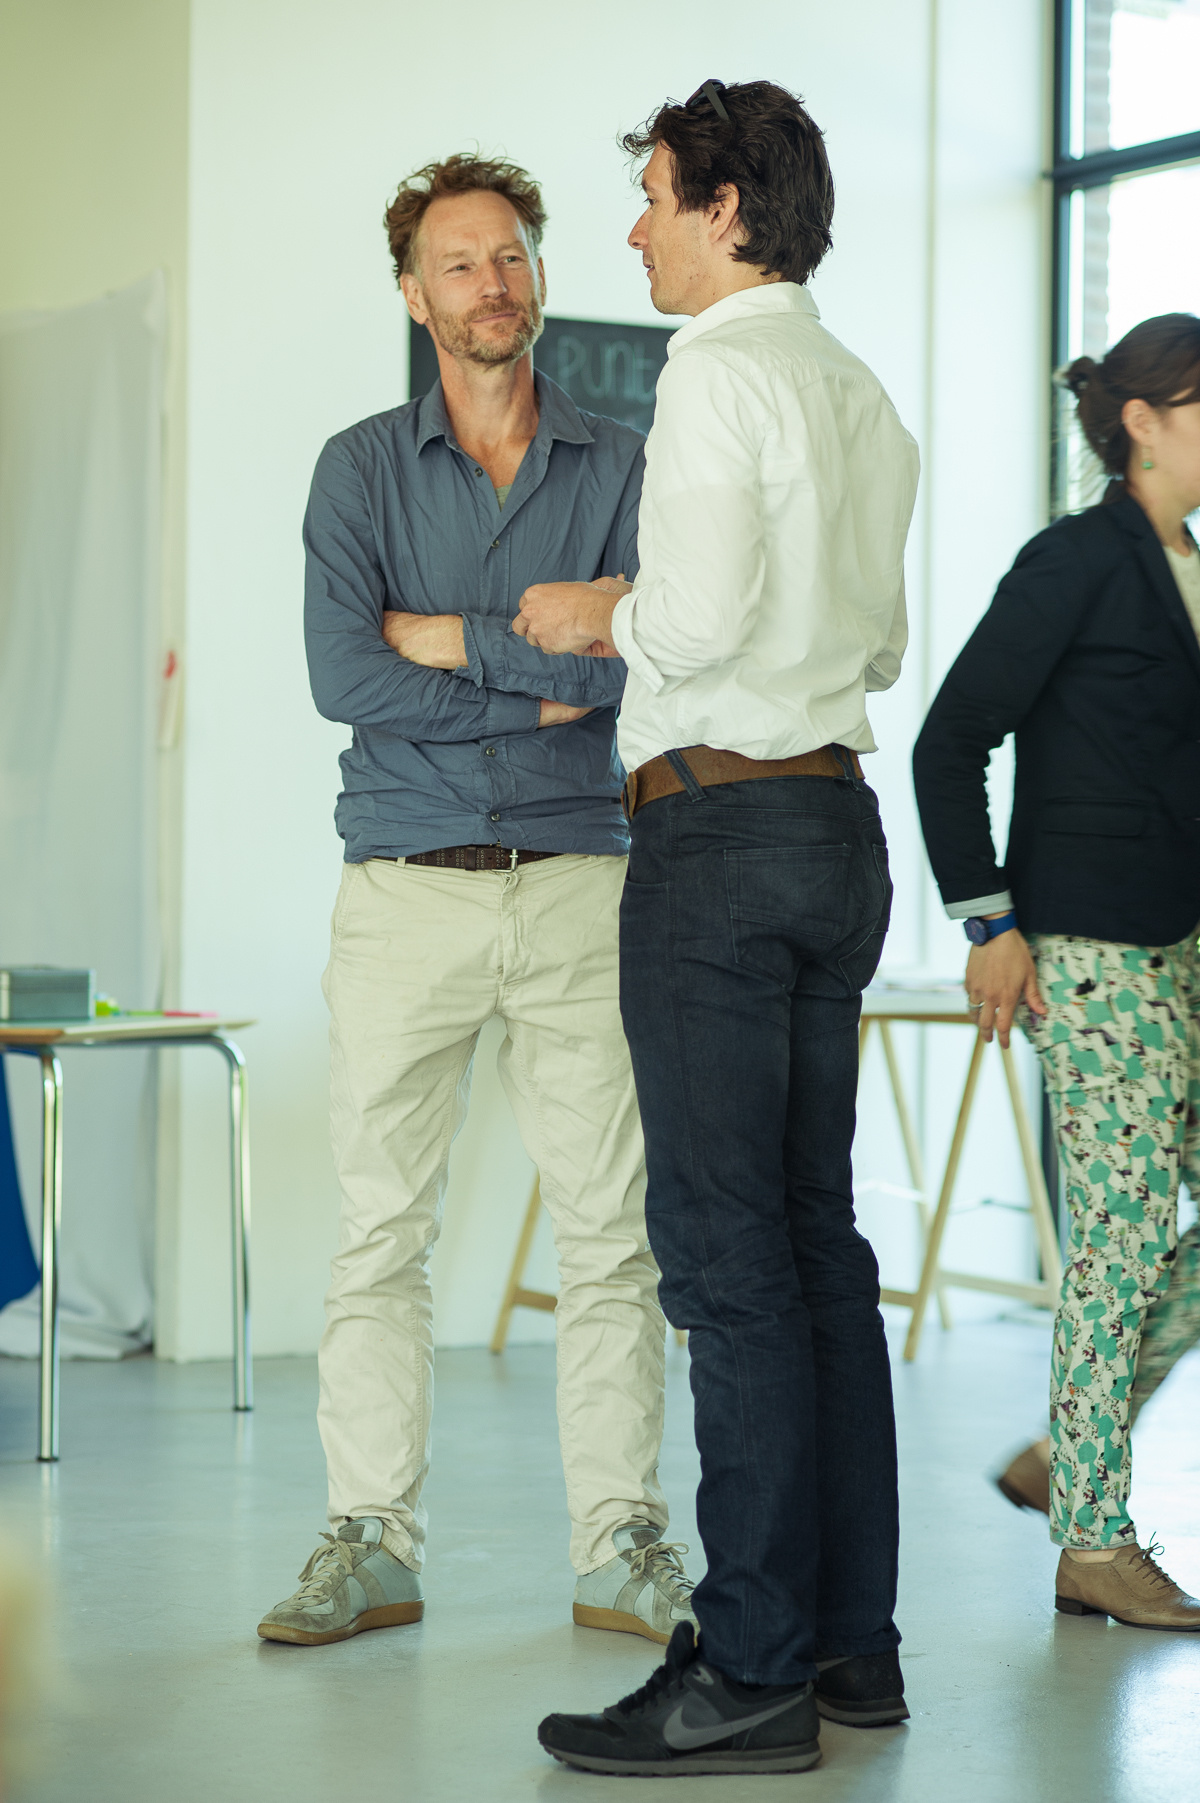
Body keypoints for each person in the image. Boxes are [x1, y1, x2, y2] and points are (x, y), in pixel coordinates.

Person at [513, 80, 919, 1777]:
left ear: (731, 208)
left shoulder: (718, 378)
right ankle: (847, 1652)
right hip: (836, 826)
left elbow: (682, 618)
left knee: (728, 1268)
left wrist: (586, 611)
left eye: (656, 198)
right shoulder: (861, 392)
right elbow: (879, 650)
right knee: (819, 1252)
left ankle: (746, 1667)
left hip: (721, 835)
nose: (634, 229)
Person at [257, 153, 697, 1649]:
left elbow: (643, 669)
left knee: (610, 1236)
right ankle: (369, 1538)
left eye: (510, 255)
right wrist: (535, 675)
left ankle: (621, 1542)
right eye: (458, 262)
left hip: (583, 886)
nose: (491, 283)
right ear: (412, 294)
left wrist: (459, 642)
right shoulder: (358, 470)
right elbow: (344, 677)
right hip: (404, 893)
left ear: (538, 278)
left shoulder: (629, 466)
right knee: (382, 1230)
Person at [913, 313, 1200, 1630]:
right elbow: (949, 739)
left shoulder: (1190, 566)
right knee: (1125, 1245)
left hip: (1188, 946)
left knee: (1141, 1248)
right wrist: (990, 924)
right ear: (1142, 418)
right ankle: (1093, 1536)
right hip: (1092, 952)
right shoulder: (1075, 561)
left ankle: (1064, 1452)